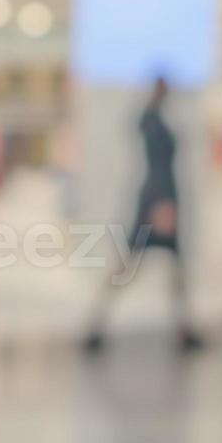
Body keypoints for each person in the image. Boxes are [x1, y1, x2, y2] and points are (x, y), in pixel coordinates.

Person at [85, 77, 200, 354]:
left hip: (162, 197)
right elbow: (158, 166)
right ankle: (96, 324)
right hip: (158, 200)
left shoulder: (156, 118)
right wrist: (162, 204)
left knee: (174, 269)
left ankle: (183, 329)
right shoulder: (152, 121)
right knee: (129, 265)